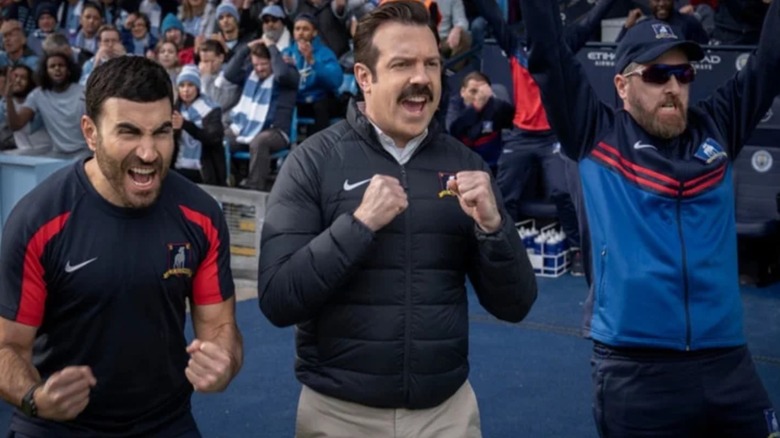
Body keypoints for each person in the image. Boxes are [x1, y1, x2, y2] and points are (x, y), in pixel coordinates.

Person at [257, 2, 538, 437]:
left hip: (446, 413)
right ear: (364, 78)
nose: (422, 79)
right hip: (339, 416)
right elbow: (277, 299)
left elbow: (516, 304)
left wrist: (493, 229)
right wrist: (359, 225)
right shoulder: (312, 162)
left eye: (431, 63)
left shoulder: (468, 166)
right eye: (402, 64)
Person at [519, 0, 780, 435]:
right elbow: (548, 49)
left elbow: (770, 61)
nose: (674, 87)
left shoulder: (718, 125)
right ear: (622, 85)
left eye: (683, 74)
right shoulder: (594, 132)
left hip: (728, 364)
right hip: (635, 372)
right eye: (658, 74)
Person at [0, 55, 243, 437]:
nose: (149, 153)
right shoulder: (38, 220)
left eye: (161, 132)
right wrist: (36, 397)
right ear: (90, 132)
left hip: (165, 422)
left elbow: (220, 325)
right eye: (129, 132)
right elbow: (7, 347)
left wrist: (223, 362)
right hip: (55, 426)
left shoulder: (201, 215)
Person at [446, 71, 514, 174]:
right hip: (463, 167)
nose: (477, 96)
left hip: (492, 166)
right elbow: (454, 129)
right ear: (462, 92)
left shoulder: (496, 105)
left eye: (481, 92)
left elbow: (514, 122)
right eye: (473, 91)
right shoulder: (455, 105)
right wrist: (476, 107)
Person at [172, 64, 227, 185]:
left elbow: (214, 137)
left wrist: (185, 125)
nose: (186, 90)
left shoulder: (211, 109)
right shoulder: (174, 109)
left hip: (205, 170)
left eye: (190, 85)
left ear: (197, 87)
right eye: (182, 85)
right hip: (178, 166)